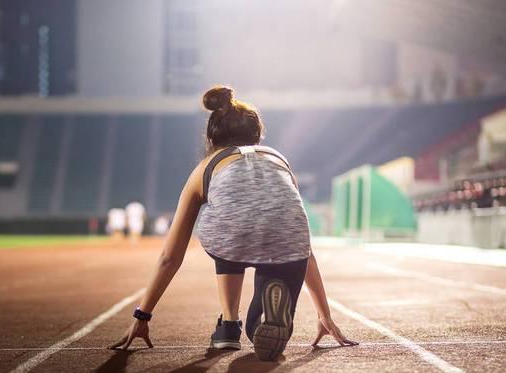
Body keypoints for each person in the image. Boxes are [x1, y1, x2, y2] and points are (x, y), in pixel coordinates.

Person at [110, 85, 357, 361]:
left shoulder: (205, 167)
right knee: (260, 326)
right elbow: (300, 239)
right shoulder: (279, 159)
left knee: (228, 227)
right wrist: (324, 314)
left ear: (212, 137)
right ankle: (265, 313)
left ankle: (228, 325)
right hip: (289, 244)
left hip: (230, 240)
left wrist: (142, 315)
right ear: (257, 135)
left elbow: (170, 255)